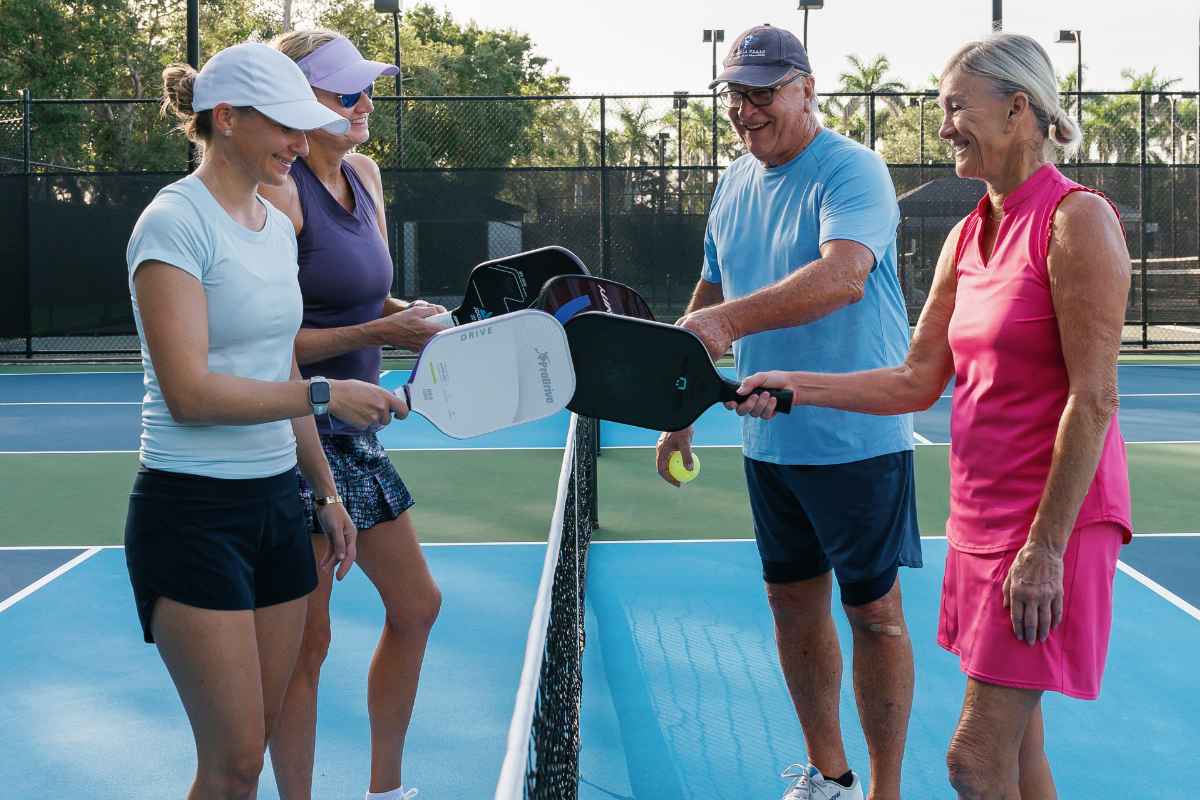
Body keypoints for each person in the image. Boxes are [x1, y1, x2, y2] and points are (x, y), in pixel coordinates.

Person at [737, 33, 1132, 800]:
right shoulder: (965, 235)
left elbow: (1096, 398)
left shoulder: (1075, 222)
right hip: (980, 524)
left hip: (1052, 526)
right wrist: (794, 385)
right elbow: (919, 380)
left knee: (972, 762)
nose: (944, 125)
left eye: (957, 107)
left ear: (1019, 110)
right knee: (1018, 757)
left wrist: (1046, 547)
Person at [125, 43, 407, 800]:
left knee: (267, 726)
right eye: (284, 124)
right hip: (192, 512)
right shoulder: (172, 224)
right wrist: (329, 397)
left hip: (279, 502)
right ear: (227, 119)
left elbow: (280, 366)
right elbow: (191, 393)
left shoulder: (274, 226)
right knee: (235, 763)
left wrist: (325, 492)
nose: (296, 139)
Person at [657, 24, 919, 800]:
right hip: (767, 443)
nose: (746, 110)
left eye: (763, 93)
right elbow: (712, 291)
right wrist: (679, 402)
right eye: (737, 94)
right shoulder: (734, 178)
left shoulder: (853, 171)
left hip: (856, 439)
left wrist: (727, 326)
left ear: (808, 89)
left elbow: (841, 278)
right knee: (792, 608)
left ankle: (887, 791)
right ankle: (832, 777)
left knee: (873, 616)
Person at [258, 31, 443, 800]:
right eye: (345, 93)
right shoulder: (277, 192)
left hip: (357, 439)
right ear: (296, 103)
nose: (365, 103)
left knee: (418, 605)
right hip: (295, 436)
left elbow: (364, 296)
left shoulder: (363, 173)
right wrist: (378, 333)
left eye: (366, 89)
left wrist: (418, 317)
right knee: (309, 645)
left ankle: (386, 790)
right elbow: (267, 338)